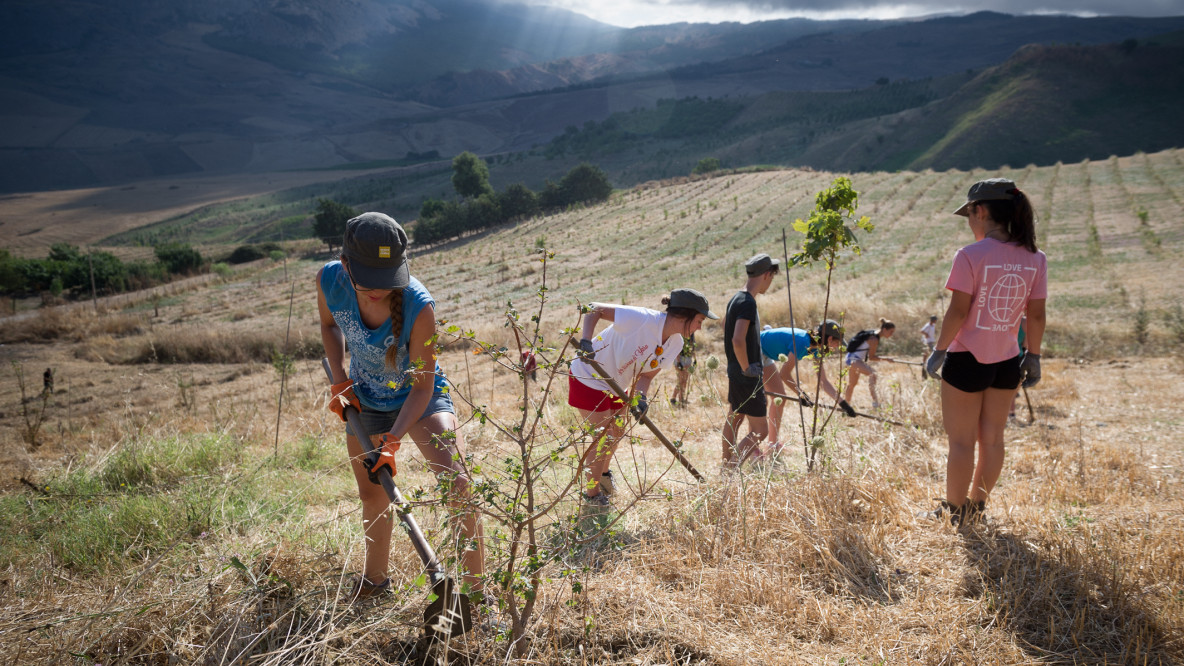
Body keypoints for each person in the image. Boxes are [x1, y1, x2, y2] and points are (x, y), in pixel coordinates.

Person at [318, 212, 485, 599]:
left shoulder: (418, 305)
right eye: (368, 280)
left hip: (419, 397)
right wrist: (341, 381)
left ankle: (479, 593)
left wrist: (392, 441)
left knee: (458, 484)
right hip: (366, 396)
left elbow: (423, 386)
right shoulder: (329, 279)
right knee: (373, 492)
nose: (378, 290)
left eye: (386, 279)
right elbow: (329, 326)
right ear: (346, 265)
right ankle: (376, 583)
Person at [925, 178, 1046, 526]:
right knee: (993, 440)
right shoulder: (1036, 258)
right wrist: (1033, 356)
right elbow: (1035, 314)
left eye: (969, 215)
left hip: (967, 359)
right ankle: (977, 509)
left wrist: (940, 350)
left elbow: (959, 312)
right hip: (1008, 360)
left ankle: (953, 513)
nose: (969, 222)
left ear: (980, 211)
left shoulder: (969, 255)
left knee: (961, 442)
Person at [572, 289, 716, 506]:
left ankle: (602, 477)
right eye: (699, 320)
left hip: (617, 385)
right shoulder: (642, 319)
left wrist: (640, 399)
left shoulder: (675, 343)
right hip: (589, 375)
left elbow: (647, 375)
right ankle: (593, 497)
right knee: (603, 437)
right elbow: (593, 308)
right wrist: (586, 341)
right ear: (685, 315)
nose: (699, 327)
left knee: (617, 432)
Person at [759, 321, 855, 451]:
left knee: (779, 399)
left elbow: (823, 382)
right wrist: (801, 394)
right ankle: (754, 447)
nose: (837, 347)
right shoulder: (802, 342)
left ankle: (772, 444)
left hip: (767, 354)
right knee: (761, 400)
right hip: (756, 348)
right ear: (830, 338)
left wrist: (843, 404)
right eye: (837, 343)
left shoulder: (817, 349)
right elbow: (785, 374)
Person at [721, 253, 779, 467]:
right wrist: (747, 367)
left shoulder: (736, 298)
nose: (770, 283)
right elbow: (737, 339)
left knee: (734, 418)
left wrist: (738, 365)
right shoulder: (748, 303)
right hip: (747, 374)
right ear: (766, 274)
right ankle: (731, 468)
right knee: (760, 430)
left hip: (735, 371)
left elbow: (725, 325)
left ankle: (726, 465)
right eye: (772, 278)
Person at [842, 319, 896, 410]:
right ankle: (876, 403)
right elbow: (872, 357)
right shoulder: (874, 339)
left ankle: (845, 407)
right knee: (873, 374)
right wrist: (887, 359)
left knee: (852, 384)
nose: (891, 335)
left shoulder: (873, 333)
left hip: (849, 358)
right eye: (891, 332)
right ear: (884, 329)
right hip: (854, 360)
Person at [670, 333, 696, 406]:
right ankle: (674, 398)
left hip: (688, 359)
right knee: (681, 381)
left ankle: (681, 399)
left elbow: (693, 347)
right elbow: (677, 349)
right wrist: (678, 362)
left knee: (685, 381)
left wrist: (695, 359)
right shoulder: (681, 334)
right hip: (680, 358)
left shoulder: (692, 335)